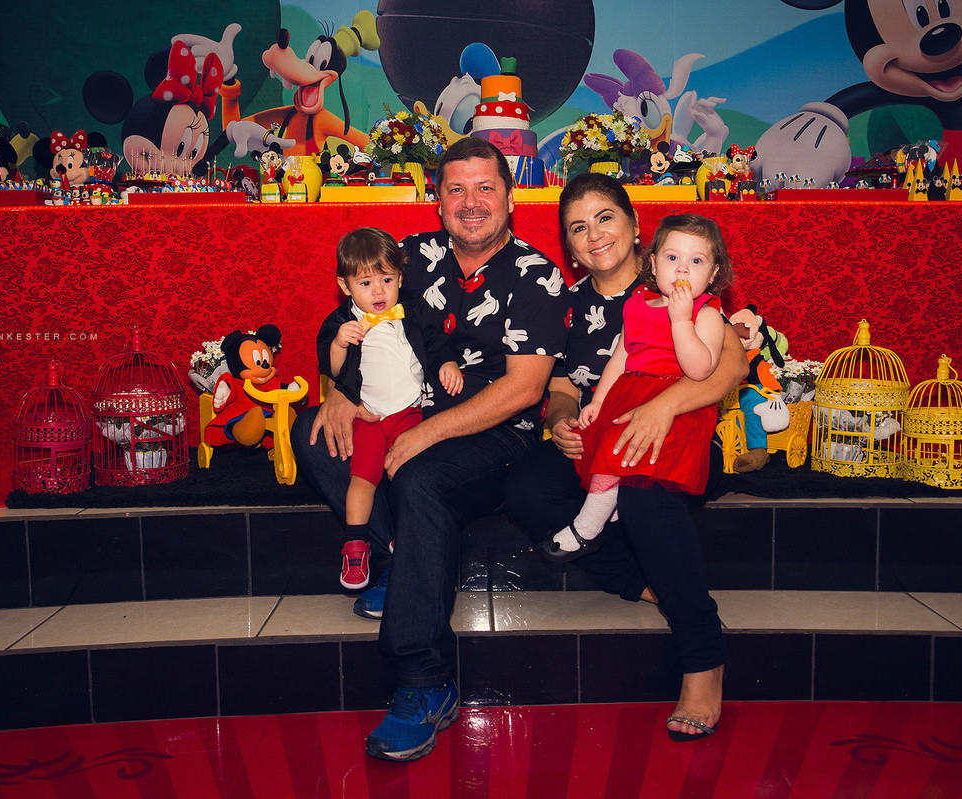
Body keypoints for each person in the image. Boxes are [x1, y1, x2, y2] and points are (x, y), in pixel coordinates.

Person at [290, 137, 568, 761]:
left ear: (511, 198)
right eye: (456, 189)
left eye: (485, 188)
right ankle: (397, 559)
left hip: (498, 434)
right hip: (403, 412)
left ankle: (423, 679)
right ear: (437, 201)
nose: (471, 202)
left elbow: (525, 391)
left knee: (420, 476)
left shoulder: (538, 276)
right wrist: (339, 391)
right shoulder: (409, 257)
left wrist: (429, 432)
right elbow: (352, 322)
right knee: (314, 433)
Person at [504, 174, 747, 742]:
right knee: (527, 488)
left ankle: (703, 657)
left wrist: (663, 407)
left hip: (681, 431)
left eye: (605, 217)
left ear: (637, 227)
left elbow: (730, 364)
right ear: (569, 245)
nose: (594, 234)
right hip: (604, 433)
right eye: (578, 227)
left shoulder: (681, 270)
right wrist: (563, 420)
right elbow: (561, 383)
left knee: (642, 498)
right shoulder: (564, 305)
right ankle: (644, 582)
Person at [541, 212, 734, 560]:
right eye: (672, 257)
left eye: (696, 261)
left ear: (713, 273)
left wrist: (681, 322)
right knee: (610, 451)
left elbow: (700, 370)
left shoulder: (706, 314)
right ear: (654, 264)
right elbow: (620, 359)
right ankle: (608, 506)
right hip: (629, 396)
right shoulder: (637, 305)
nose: (683, 269)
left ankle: (587, 527)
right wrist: (598, 402)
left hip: (678, 407)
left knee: (622, 456)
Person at [318, 227, 462, 590]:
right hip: (370, 416)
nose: (379, 292)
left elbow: (435, 339)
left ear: (400, 277)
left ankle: (407, 534)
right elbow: (333, 371)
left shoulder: (410, 307)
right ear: (345, 285)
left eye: (387, 279)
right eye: (365, 283)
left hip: (412, 412)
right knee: (363, 479)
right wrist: (339, 344)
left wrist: (447, 363)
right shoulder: (340, 323)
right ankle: (355, 544)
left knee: (409, 476)